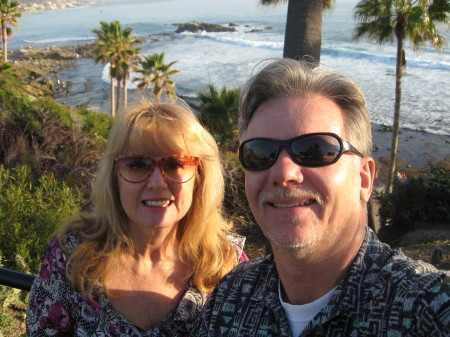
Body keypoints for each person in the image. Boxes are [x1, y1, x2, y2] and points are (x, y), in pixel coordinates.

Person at [195, 58, 449, 336]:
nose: (283, 172)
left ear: (364, 179)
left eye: (315, 150)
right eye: (261, 153)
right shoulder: (232, 295)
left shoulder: (425, 306)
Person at [26, 98, 247, 336]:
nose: (156, 183)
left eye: (174, 164)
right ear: (115, 176)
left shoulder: (228, 265)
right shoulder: (71, 257)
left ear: (199, 178)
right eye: (138, 164)